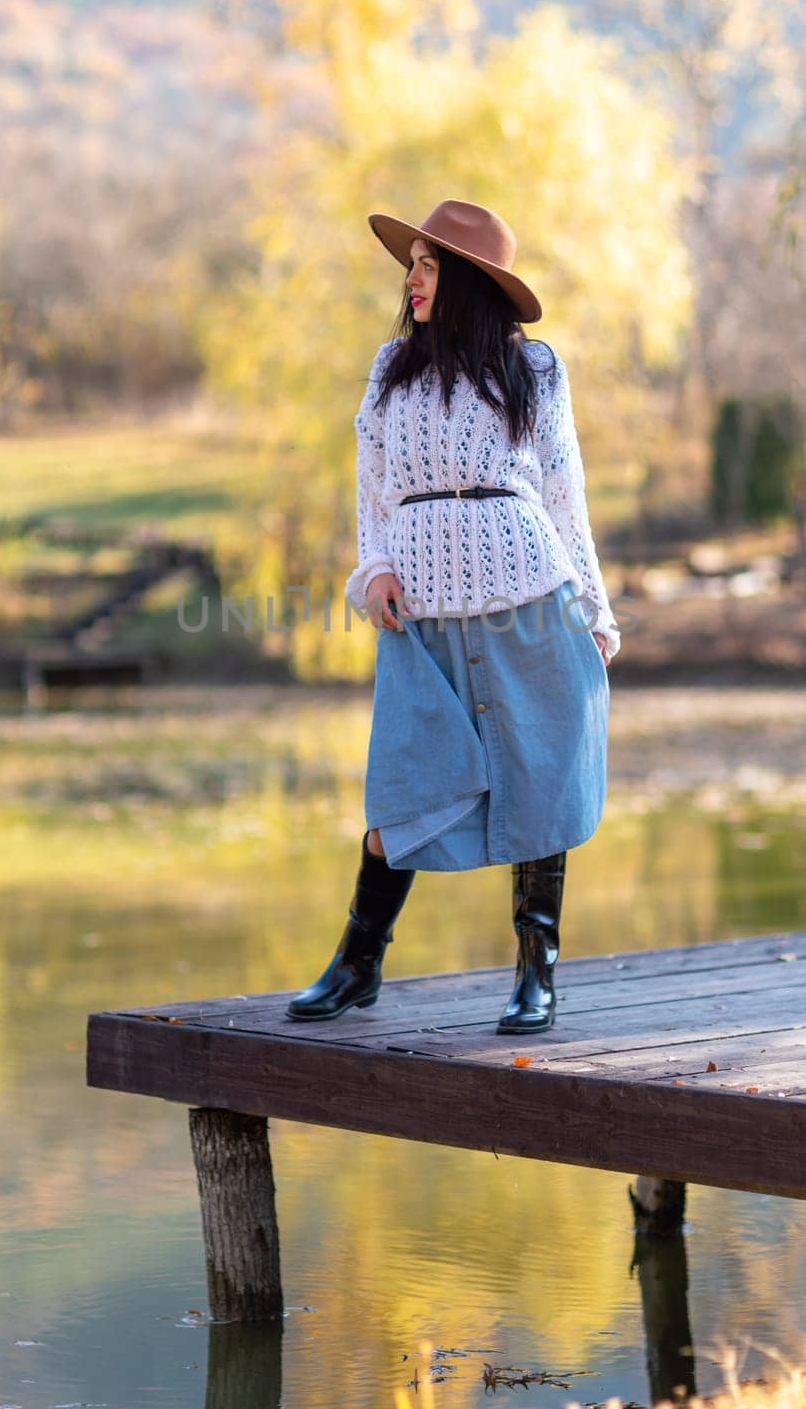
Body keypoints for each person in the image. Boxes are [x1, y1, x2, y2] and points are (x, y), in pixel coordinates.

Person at [286, 198, 619, 1034]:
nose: (412, 280)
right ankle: (357, 964)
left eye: (429, 266)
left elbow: (562, 492)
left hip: (528, 598)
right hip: (421, 612)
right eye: (413, 265)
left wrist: (593, 605)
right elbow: (371, 489)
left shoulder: (532, 369)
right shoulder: (389, 370)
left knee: (542, 783)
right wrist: (373, 570)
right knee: (401, 787)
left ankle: (535, 975)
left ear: (468, 280)